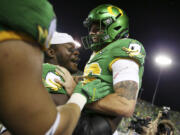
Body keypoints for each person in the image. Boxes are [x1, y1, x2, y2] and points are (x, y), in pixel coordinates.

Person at [0, 0, 111, 134]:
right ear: (51, 52)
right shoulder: (52, 70)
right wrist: (80, 96)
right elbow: (52, 127)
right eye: (70, 49)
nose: (76, 53)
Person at [75, 4, 146, 135]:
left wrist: (77, 98)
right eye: (91, 28)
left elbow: (124, 104)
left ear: (114, 27)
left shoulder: (123, 47)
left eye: (97, 28)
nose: (91, 32)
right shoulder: (100, 53)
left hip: (95, 123)